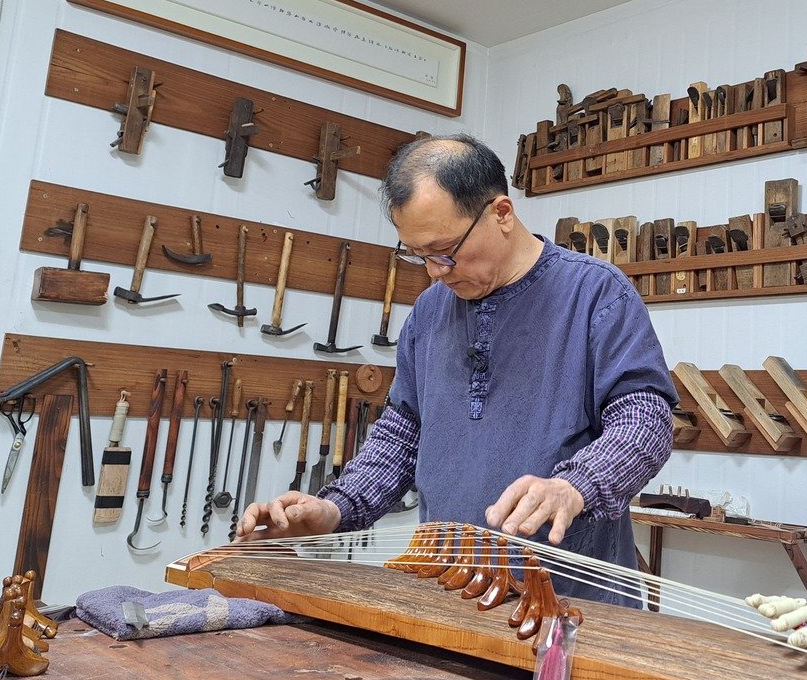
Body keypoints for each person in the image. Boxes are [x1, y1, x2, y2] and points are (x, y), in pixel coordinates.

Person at [236, 134, 677, 606]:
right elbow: (402, 435)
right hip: (450, 597)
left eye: (446, 250)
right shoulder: (429, 312)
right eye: (418, 255)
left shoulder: (595, 294)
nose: (435, 271)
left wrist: (576, 486)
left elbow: (645, 421)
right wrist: (335, 508)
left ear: (501, 214)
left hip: (570, 608)